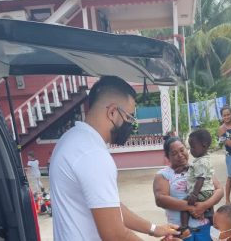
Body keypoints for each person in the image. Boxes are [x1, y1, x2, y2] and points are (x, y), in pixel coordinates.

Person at [50, 76, 178, 241]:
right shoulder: (93, 155)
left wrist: (153, 229)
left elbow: (110, 207)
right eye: (130, 117)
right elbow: (115, 235)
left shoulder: (70, 139)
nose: (132, 124)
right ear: (112, 112)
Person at [154, 136, 224, 241]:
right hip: (180, 231)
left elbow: (219, 190)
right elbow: (160, 199)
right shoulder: (163, 174)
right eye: (174, 153)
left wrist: (204, 205)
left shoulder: (200, 165)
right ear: (167, 157)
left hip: (205, 228)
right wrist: (191, 207)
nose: (180, 155)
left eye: (182, 150)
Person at [180, 129, 215, 237]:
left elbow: (200, 179)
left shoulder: (201, 162)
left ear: (203, 145)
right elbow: (196, 170)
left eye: (193, 147)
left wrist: (194, 194)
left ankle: (184, 226)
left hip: (202, 191)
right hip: (208, 191)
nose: (191, 150)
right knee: (209, 207)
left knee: (185, 204)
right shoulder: (204, 159)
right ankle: (212, 222)